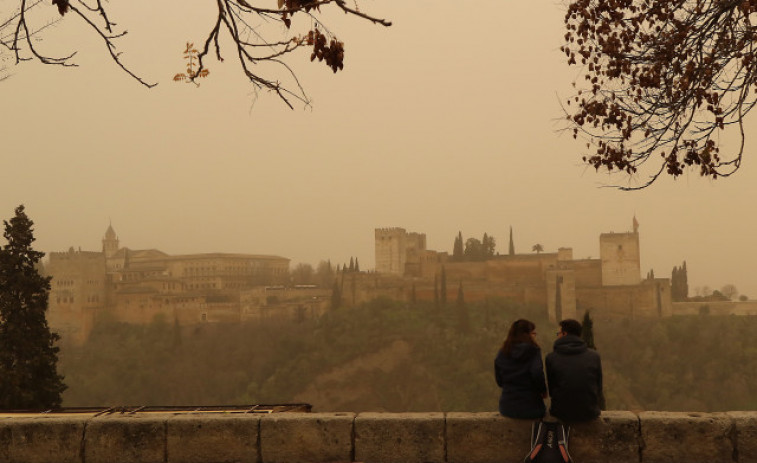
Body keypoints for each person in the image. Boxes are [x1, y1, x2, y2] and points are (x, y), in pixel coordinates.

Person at [545, 318, 603, 422]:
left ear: (564, 334)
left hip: (560, 412)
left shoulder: (551, 357)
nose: (557, 336)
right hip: (589, 412)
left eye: (558, 333)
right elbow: (598, 387)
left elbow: (552, 389)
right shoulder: (594, 356)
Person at [494, 319, 547, 419]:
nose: (534, 336)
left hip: (507, 408)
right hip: (532, 408)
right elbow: (537, 373)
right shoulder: (533, 351)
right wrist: (543, 391)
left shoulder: (502, 352)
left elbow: (499, 381)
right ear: (527, 334)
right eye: (533, 333)